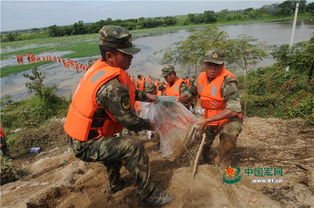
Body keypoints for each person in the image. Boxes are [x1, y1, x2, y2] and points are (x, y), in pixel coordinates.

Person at [63, 25, 174, 206]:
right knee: (133, 145)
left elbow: (127, 92)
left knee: (114, 147)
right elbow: (130, 122)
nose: (131, 57)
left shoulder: (99, 68)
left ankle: (115, 185)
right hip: (86, 144)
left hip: (82, 135)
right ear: (110, 55)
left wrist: (145, 96)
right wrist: (150, 124)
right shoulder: (112, 86)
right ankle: (148, 194)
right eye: (126, 53)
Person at [195, 49, 243, 166]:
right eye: (209, 64)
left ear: (222, 65)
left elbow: (232, 110)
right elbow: (192, 91)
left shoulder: (228, 81)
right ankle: (205, 158)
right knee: (204, 143)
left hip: (229, 117)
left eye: (216, 65)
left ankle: (219, 159)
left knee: (228, 140)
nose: (212, 68)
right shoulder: (201, 77)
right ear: (205, 64)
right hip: (210, 116)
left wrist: (205, 121)